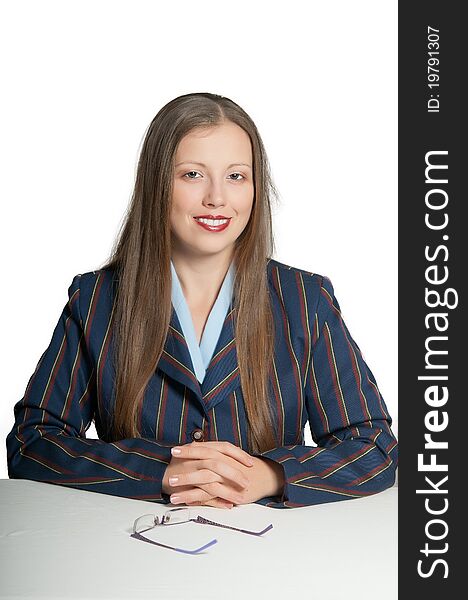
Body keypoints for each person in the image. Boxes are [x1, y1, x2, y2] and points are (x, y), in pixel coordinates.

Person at [5, 92, 398, 509]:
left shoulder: (305, 300)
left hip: (273, 556)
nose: (217, 198)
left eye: (236, 176)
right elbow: (33, 443)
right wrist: (161, 471)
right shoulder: (96, 299)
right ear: (157, 184)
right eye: (192, 175)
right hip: (130, 552)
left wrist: (269, 474)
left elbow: (374, 448)